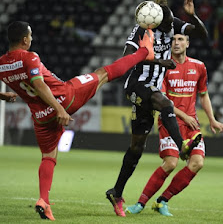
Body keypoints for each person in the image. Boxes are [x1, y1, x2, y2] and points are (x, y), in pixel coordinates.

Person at [0, 21, 155, 221]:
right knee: (103, 74)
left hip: (40, 116)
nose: (32, 39)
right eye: (30, 36)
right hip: (66, 97)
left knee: (48, 155)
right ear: (24, 40)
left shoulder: (2, 63)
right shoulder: (30, 57)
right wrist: (60, 110)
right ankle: (144, 52)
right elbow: (39, 86)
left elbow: (30, 88)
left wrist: (2, 95)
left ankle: (43, 201)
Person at [106, 0, 209, 217]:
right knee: (165, 104)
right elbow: (127, 55)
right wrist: (158, 60)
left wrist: (193, 16)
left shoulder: (174, 24)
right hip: (137, 86)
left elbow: (202, 35)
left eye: (174, 22)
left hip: (149, 93)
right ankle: (182, 145)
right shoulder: (144, 29)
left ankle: (116, 191)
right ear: (155, 22)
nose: (173, 28)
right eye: (168, 24)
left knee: (137, 148)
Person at [125, 34, 223, 216]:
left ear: (188, 42)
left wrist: (212, 119)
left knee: (197, 163)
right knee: (171, 163)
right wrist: (184, 116)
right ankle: (140, 204)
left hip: (191, 124)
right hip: (170, 122)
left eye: (181, 39)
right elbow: (163, 101)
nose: (176, 43)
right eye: (173, 40)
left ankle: (162, 201)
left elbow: (203, 95)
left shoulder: (199, 66)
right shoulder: (163, 68)